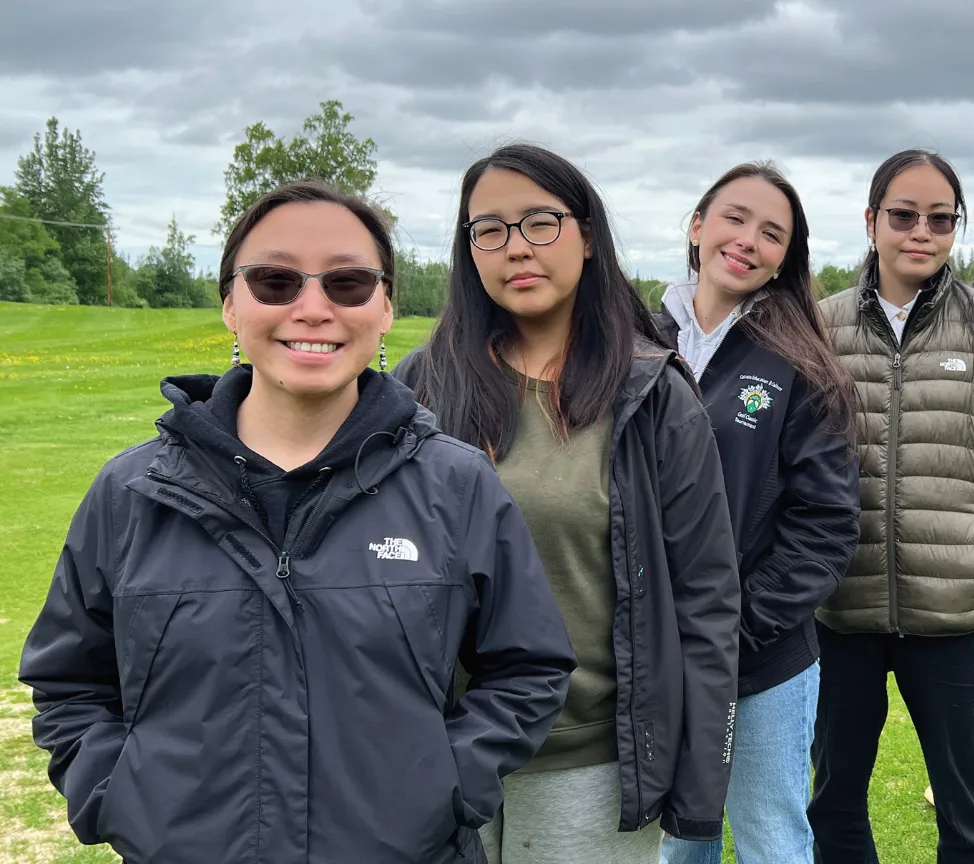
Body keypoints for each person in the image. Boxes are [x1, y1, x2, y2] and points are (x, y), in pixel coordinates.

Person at [18, 180, 577, 863]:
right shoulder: (133, 492)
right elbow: (68, 682)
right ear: (230, 304)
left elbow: (529, 667)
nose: (313, 309)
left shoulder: (456, 486)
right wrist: (119, 794)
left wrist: (443, 785)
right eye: (275, 281)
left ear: (385, 308)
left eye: (347, 283)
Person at [393, 143, 741, 864]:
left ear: (587, 236)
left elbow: (706, 599)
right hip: (431, 752)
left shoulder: (654, 397)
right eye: (489, 228)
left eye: (540, 222)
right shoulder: (419, 389)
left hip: (588, 761)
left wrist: (699, 785)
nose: (515, 247)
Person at [809, 148, 974, 864]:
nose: (921, 231)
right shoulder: (820, 328)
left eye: (940, 219)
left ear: (957, 228)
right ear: (871, 220)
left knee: (967, 808)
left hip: (959, 617)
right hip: (841, 614)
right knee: (834, 800)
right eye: (903, 215)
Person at [655, 163, 861, 864]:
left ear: (785, 257)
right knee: (681, 844)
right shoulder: (633, 345)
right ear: (697, 225)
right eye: (734, 218)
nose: (748, 240)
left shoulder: (800, 363)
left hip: (761, 658)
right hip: (654, 653)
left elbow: (827, 526)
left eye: (772, 233)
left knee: (772, 839)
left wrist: (734, 628)